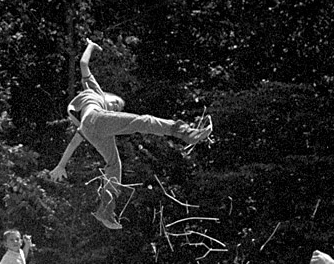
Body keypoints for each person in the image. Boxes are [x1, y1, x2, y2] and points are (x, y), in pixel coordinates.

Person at [48, 38, 212, 230]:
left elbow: (75, 142)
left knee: (114, 166)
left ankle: (105, 212)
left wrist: (61, 165)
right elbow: (83, 63)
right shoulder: (94, 90)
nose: (117, 106)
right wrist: (91, 46)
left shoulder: (96, 111)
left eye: (119, 107)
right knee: (143, 121)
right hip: (95, 119)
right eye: (117, 102)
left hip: (90, 130)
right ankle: (187, 133)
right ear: (108, 95)